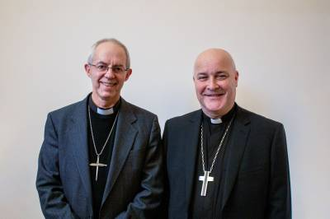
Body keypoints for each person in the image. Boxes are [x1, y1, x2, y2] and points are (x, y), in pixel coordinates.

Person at [36, 38, 164, 219]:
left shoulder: (147, 124)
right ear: (88, 70)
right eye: (102, 66)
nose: (109, 74)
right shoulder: (59, 122)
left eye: (118, 68)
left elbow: (151, 190)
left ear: (127, 75)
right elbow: (47, 184)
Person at [163, 48, 291, 218]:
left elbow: (279, 208)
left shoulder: (268, 134)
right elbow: (161, 198)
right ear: (194, 81)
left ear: (235, 78)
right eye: (203, 77)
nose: (212, 85)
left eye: (221, 76)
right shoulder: (175, 130)